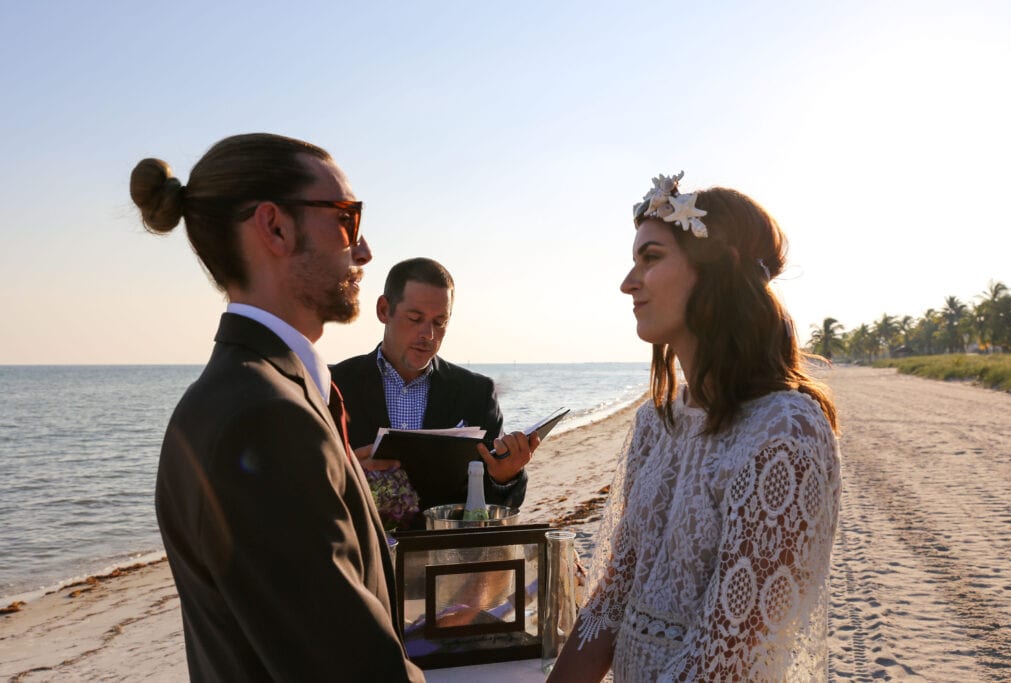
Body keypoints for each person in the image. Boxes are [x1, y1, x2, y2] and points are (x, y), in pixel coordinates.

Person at [130, 133, 424, 682]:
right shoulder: (263, 419)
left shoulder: (248, 395)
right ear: (275, 228)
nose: (364, 249)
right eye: (346, 219)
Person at [548, 172, 842, 682]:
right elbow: (609, 607)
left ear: (716, 271)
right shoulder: (655, 423)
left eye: (651, 257)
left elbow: (724, 661)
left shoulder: (784, 431)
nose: (628, 282)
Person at [331, 257, 533, 519]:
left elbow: (491, 507)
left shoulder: (477, 392)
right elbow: (299, 484)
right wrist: (342, 474)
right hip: (358, 553)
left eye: (439, 322)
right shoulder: (333, 384)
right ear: (384, 310)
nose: (428, 334)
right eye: (415, 318)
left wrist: (505, 478)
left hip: (447, 552)